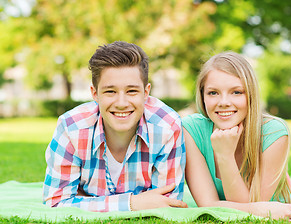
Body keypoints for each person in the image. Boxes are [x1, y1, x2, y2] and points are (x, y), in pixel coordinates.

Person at [43, 41, 187, 212]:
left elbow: (166, 202)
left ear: (146, 92)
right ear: (95, 94)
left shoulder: (167, 126)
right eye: (110, 91)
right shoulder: (71, 127)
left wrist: (85, 201)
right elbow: (56, 202)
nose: (121, 103)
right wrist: (132, 203)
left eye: (132, 91)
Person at [183, 51, 291, 221]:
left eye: (236, 92)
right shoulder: (191, 129)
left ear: (250, 94)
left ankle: (282, 180)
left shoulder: (274, 132)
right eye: (213, 93)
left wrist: (225, 156)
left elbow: (253, 205)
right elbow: (208, 203)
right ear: (202, 96)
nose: (223, 102)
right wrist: (224, 154)